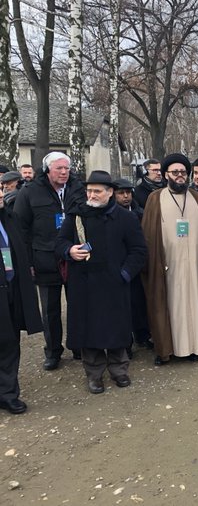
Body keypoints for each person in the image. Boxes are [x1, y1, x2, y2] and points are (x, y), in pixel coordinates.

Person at [56, 171, 147, 394]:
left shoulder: (126, 218)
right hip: (85, 285)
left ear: (110, 193)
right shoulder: (76, 215)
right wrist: (69, 250)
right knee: (89, 331)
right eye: (89, 191)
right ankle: (94, 374)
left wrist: (124, 274)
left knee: (117, 328)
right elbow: (59, 242)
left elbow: (139, 251)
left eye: (97, 191)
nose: (92, 195)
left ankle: (119, 370)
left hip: (115, 283)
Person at [142, 153, 198, 365]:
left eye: (183, 172)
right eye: (175, 172)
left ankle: (194, 347)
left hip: (194, 265)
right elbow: (149, 234)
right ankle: (167, 349)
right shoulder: (155, 198)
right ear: (166, 174)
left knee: (194, 305)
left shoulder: (197, 198)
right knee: (168, 306)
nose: (180, 176)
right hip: (167, 265)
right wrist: (156, 261)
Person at [13, 152, 85, 370]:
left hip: (74, 255)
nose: (64, 172)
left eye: (67, 168)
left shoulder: (77, 188)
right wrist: (28, 262)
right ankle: (53, 351)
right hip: (45, 258)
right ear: (47, 170)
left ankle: (78, 346)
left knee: (78, 304)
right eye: (59, 169)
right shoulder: (29, 192)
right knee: (50, 310)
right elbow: (21, 228)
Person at [0, 187, 42, 414]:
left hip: (11, 289)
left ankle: (8, 394)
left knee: (9, 342)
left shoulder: (9, 217)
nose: (0, 195)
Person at [113, 178, 153, 352]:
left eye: (128, 192)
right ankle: (125, 342)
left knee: (139, 302)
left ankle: (142, 335)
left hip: (138, 263)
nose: (125, 196)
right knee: (121, 306)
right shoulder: (110, 216)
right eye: (121, 193)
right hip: (118, 264)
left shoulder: (140, 213)